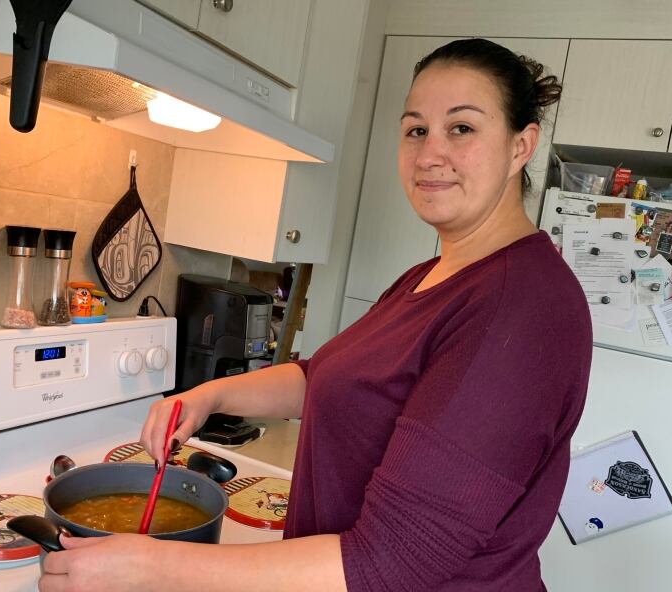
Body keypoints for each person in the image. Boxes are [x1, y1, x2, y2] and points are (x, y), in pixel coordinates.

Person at [39, 38, 592, 592]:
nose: (429, 154)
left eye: (462, 128)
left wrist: (151, 569)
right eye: (416, 129)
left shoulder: (519, 307)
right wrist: (207, 398)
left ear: (522, 146)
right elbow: (323, 378)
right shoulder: (433, 275)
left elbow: (390, 566)